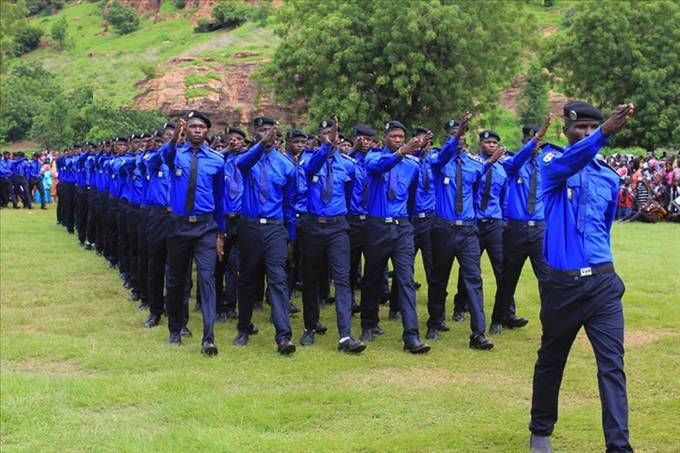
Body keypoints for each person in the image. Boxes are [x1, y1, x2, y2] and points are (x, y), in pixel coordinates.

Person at [529, 101, 635, 453]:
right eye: (580, 128)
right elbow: (569, 162)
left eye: (593, 128)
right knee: (551, 359)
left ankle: (618, 446)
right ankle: (540, 431)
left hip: (603, 284)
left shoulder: (609, 175)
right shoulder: (552, 164)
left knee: (612, 367)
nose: (586, 134)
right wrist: (604, 134)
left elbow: (604, 229)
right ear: (566, 130)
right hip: (562, 286)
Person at [426, 113, 505, 349]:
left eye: (460, 136)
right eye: (453, 135)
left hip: (469, 230)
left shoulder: (475, 164)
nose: (458, 139)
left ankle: (478, 333)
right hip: (443, 229)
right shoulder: (438, 162)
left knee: (473, 279)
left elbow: (482, 188)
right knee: (439, 278)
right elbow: (441, 157)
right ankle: (435, 322)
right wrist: (457, 132)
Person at [360, 120, 431, 353]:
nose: (398, 140)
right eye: (393, 136)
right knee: (372, 278)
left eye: (401, 137)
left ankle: (411, 336)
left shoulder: (412, 165)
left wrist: (406, 223)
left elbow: (411, 198)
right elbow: (379, 168)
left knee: (406, 280)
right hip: (377, 226)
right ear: (386, 137)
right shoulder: (373, 157)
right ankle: (368, 323)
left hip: (401, 227)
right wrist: (401, 153)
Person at [299, 117, 366, 353]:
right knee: (311, 279)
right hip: (313, 226)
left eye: (334, 132)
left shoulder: (348, 164)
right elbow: (312, 169)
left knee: (342, 279)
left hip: (338, 227)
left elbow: (348, 194)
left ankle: (345, 335)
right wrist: (327, 146)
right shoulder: (309, 161)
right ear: (320, 137)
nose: (332, 135)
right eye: (327, 132)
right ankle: (310, 327)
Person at [232, 117, 298, 355]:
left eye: (269, 130)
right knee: (247, 279)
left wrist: (290, 237)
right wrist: (260, 146)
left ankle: (284, 336)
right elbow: (240, 165)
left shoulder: (286, 165)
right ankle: (243, 327)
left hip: (274, 228)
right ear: (254, 133)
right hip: (249, 227)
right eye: (261, 130)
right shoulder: (248, 159)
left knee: (278, 280)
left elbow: (290, 204)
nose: (266, 134)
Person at [162, 112, 225, 356]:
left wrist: (221, 233)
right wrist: (172, 141)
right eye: (193, 126)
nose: (197, 130)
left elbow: (220, 200)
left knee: (207, 280)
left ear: (207, 131)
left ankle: (208, 338)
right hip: (178, 227)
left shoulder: (217, 161)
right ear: (185, 130)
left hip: (205, 227)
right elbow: (164, 156)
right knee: (177, 279)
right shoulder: (174, 154)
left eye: (201, 127)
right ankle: (175, 328)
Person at [489, 116, 553, 336]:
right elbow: (516, 162)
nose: (534, 146)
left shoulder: (546, 167)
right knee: (508, 277)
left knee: (546, 280)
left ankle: (550, 324)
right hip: (516, 229)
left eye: (537, 143)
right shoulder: (512, 162)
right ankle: (499, 318)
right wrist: (537, 137)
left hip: (540, 229)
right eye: (530, 141)